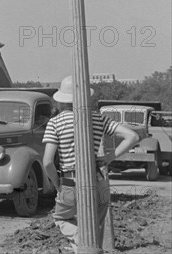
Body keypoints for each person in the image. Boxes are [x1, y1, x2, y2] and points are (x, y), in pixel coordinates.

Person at [42, 75, 139, 252]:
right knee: (97, 225)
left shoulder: (55, 123)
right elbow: (133, 136)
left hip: (71, 181)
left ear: (62, 100)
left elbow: (48, 162)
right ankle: (92, 247)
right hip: (98, 181)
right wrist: (109, 157)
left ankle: (84, 245)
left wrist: (57, 185)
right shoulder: (98, 118)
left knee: (62, 219)